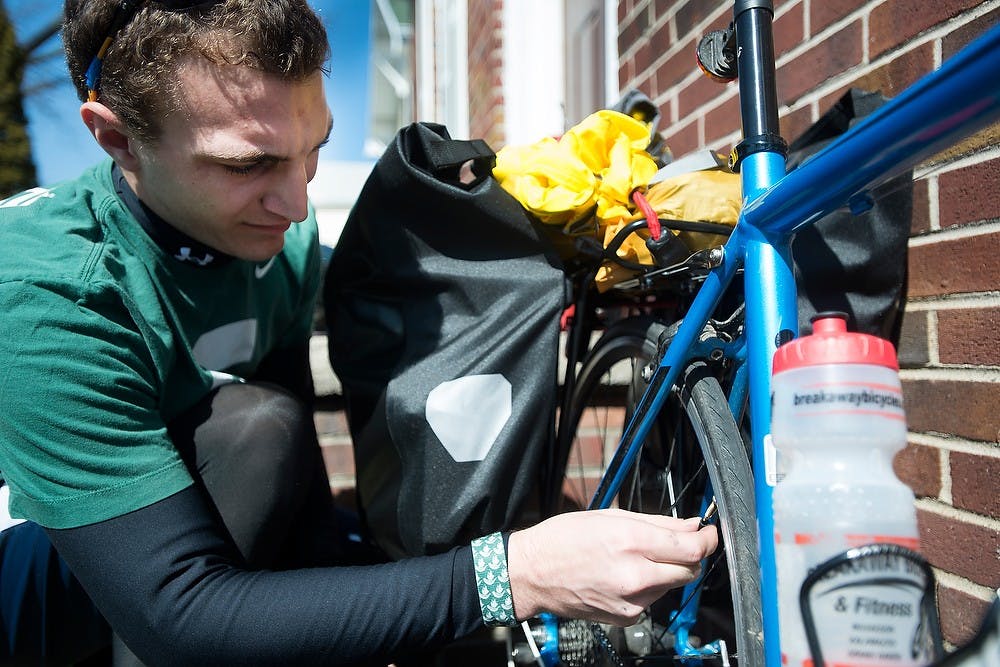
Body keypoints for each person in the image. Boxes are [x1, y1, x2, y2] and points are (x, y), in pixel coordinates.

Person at [0, 1, 719, 665]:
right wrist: (515, 574)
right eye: (248, 164)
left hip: (176, 568)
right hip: (46, 604)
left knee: (270, 429)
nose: (297, 200)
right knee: (252, 429)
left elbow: (290, 476)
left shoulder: (276, 242)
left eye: (312, 148)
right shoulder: (45, 292)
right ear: (117, 139)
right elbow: (179, 615)